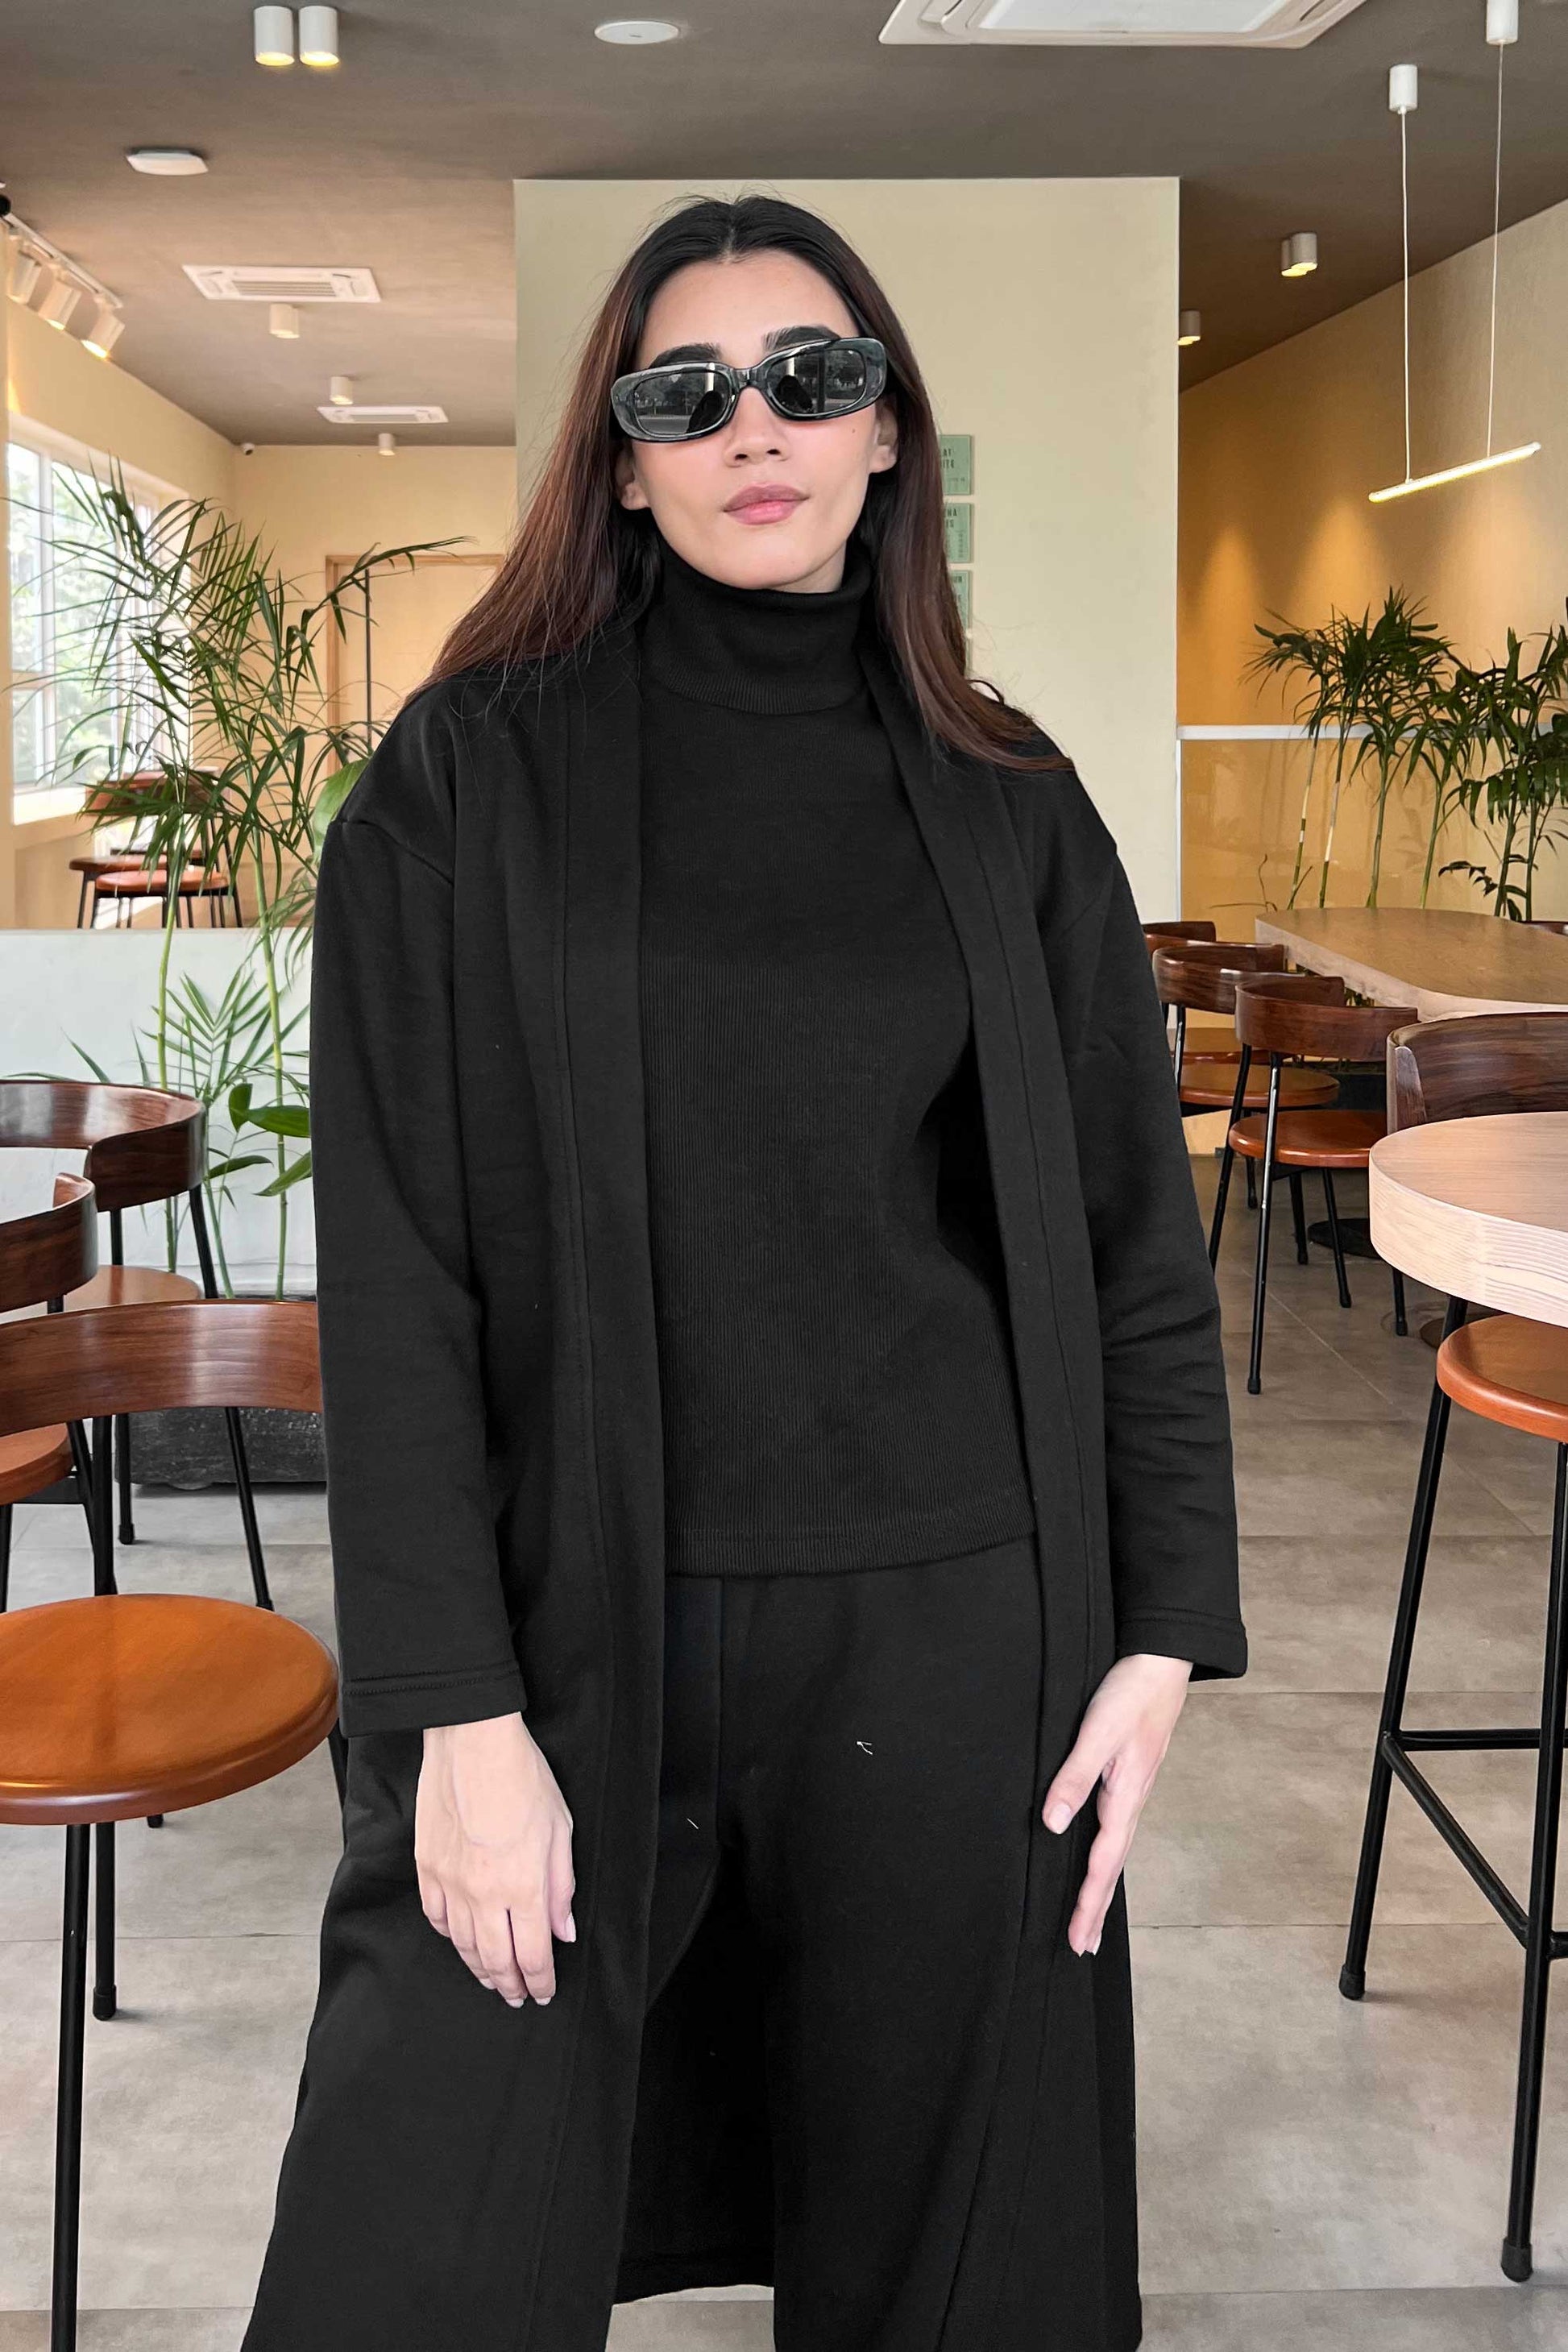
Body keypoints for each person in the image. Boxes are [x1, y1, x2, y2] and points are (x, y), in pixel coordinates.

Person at [242, 192, 1247, 2352]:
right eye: (684, 394)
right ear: (619, 462)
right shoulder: (464, 781)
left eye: (813, 375)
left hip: (953, 1627)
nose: (755, 427)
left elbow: (1126, 1246)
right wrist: (453, 1714)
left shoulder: (1010, 800)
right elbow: (396, 1281)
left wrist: (1159, 1629)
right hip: (566, 1629)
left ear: (886, 429)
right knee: (415, 2255)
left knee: (954, 2276)